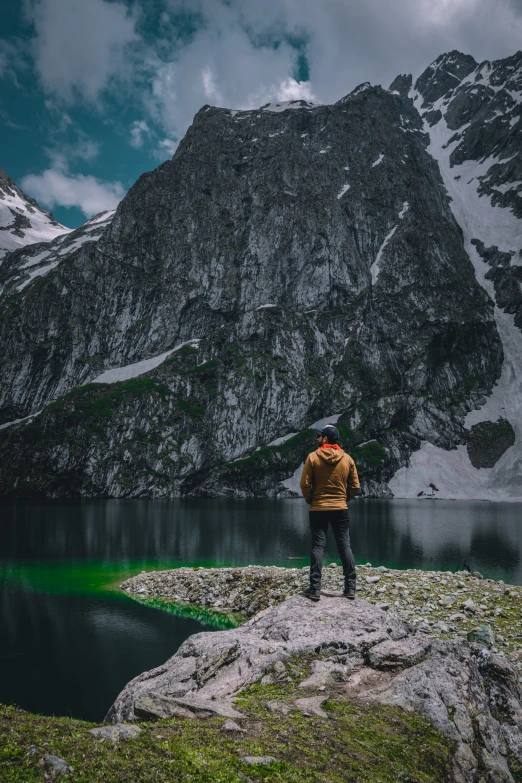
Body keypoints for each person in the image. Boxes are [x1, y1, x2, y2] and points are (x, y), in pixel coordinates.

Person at [299, 424, 360, 602]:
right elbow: (355, 486)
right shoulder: (347, 459)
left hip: (318, 508)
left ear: (325, 439)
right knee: (345, 546)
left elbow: (304, 484)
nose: (317, 438)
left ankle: (315, 589)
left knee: (318, 547)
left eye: (319, 436)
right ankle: (350, 589)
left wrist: (311, 499)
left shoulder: (312, 457)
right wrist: (343, 498)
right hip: (340, 509)